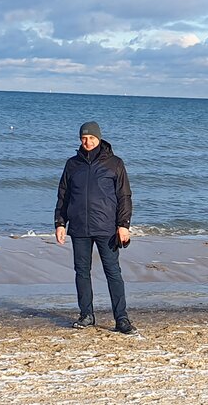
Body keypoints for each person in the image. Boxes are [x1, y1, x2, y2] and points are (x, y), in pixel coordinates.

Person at [54, 121, 136, 334]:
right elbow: (63, 195)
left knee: (113, 272)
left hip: (106, 228)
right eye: (84, 138)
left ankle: (121, 319)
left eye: (91, 138)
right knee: (81, 272)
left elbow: (124, 196)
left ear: (99, 138)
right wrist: (60, 223)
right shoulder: (72, 164)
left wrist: (123, 225)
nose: (87, 142)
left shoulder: (114, 163)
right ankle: (86, 315)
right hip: (79, 227)